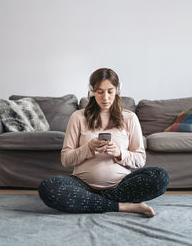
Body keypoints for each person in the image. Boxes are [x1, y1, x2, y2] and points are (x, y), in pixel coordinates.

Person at [38, 68, 169, 217]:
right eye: (100, 92)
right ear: (92, 91)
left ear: (117, 90)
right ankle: (124, 207)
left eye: (110, 91)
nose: (105, 97)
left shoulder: (129, 118)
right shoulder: (78, 117)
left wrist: (120, 153)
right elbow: (66, 160)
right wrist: (88, 149)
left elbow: (140, 159)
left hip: (120, 185)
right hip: (82, 185)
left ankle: (92, 202)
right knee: (48, 187)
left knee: (160, 176)